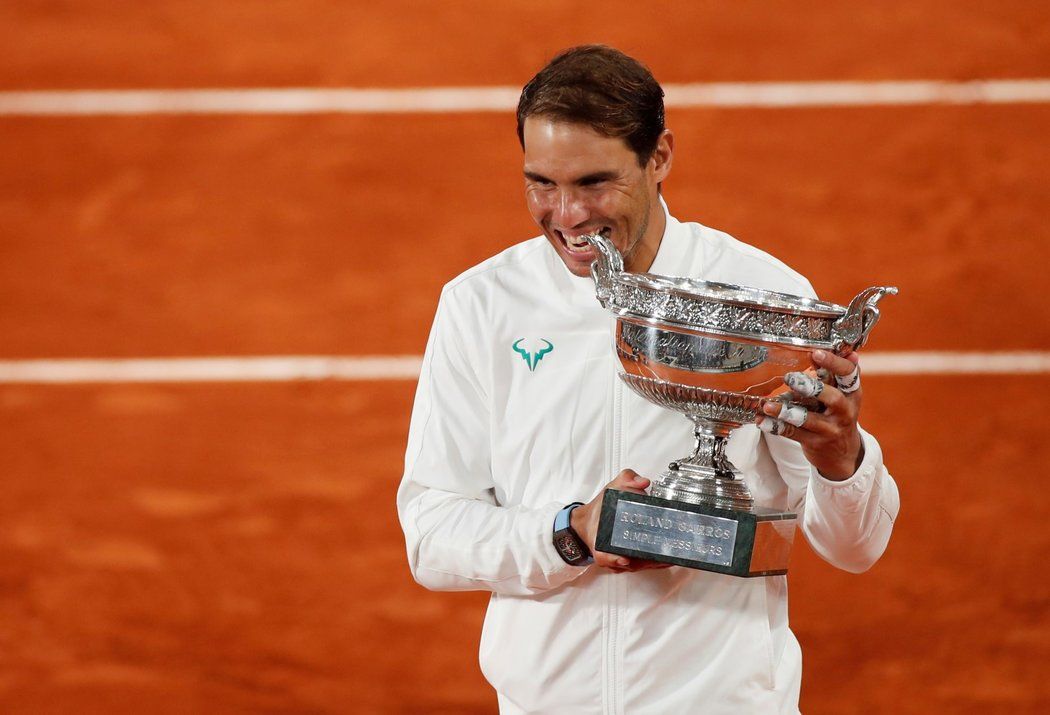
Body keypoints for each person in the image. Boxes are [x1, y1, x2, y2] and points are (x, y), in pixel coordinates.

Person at [397, 45, 899, 714]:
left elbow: (855, 547)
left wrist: (843, 458)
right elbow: (432, 532)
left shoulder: (764, 296)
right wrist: (570, 533)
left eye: (594, 182)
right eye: (541, 182)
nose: (567, 215)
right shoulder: (482, 305)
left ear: (659, 157)